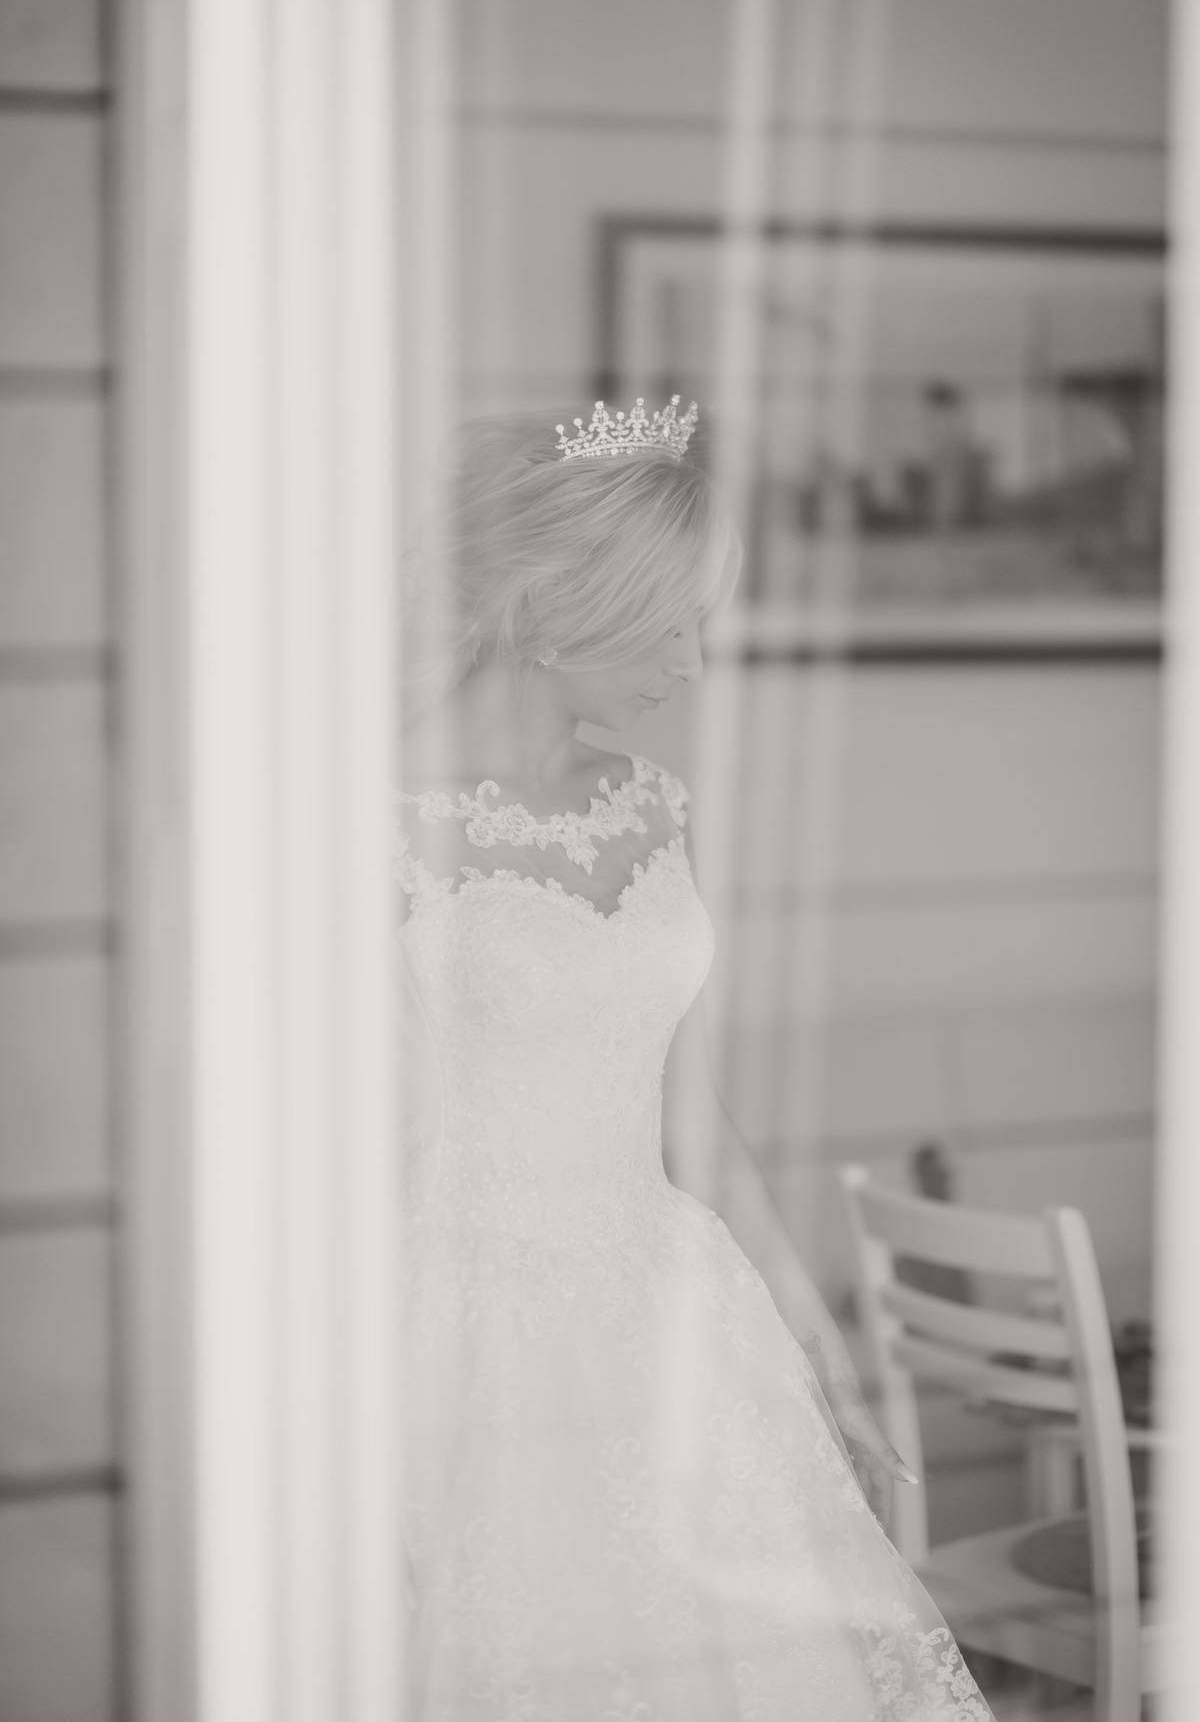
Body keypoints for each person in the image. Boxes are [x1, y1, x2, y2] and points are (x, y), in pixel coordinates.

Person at [393, 397, 995, 1719]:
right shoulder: (377, 821)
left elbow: (696, 1111)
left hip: (675, 1305)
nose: (693, 666)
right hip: (469, 1323)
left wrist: (818, 1345)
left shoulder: (652, 802)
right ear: (558, 609)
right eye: (669, 625)